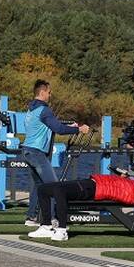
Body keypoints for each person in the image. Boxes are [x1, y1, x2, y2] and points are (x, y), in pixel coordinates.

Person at [20, 80, 90, 227]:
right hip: (36, 152)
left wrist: (68, 126)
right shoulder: (44, 110)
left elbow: (50, 125)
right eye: (49, 92)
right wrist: (79, 129)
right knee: (53, 186)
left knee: (39, 186)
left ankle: (31, 217)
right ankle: (51, 220)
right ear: (43, 92)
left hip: (27, 150)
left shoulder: (31, 109)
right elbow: (58, 129)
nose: (50, 95)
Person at [28, 173, 134, 241]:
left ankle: (62, 230)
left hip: (94, 189)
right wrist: (123, 176)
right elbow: (118, 185)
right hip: (92, 181)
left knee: (59, 190)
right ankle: (46, 226)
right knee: (43, 189)